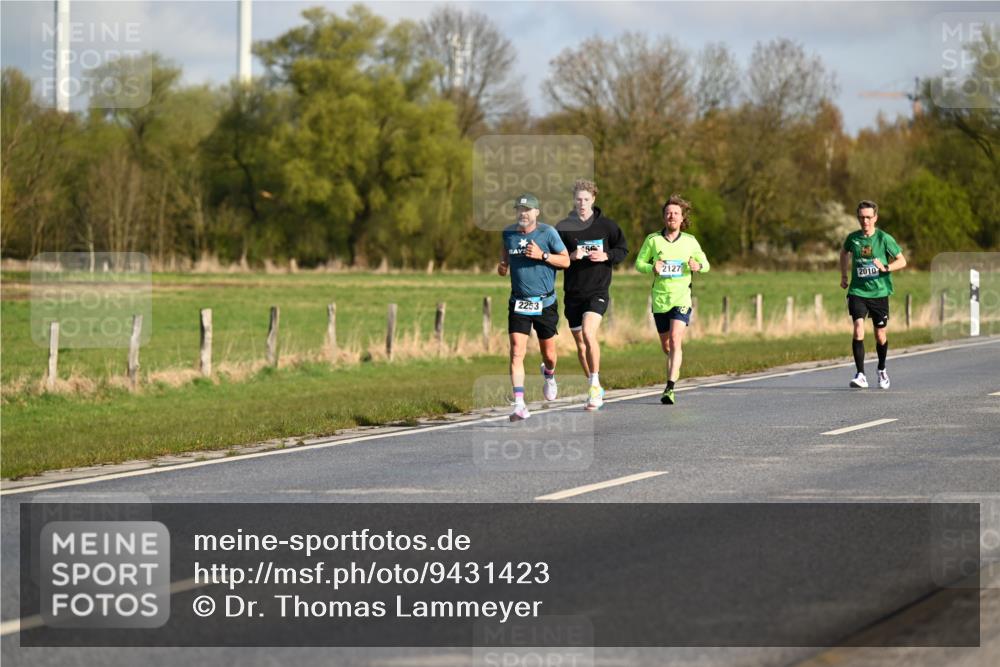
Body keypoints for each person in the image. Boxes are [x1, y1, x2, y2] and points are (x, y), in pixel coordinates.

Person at [556, 179, 629, 410]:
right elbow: (554, 259)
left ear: (593, 199)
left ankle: (595, 386)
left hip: (597, 290)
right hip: (573, 293)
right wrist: (571, 255)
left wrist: (607, 256)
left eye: (586, 199)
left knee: (589, 333)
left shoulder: (607, 226)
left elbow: (623, 250)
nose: (582, 203)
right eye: (578, 199)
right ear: (573, 200)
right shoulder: (563, 227)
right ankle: (593, 384)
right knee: (580, 344)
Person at [498, 193, 570, 421]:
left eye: (527, 210)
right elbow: (505, 260)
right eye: (519, 209)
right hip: (518, 301)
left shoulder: (548, 233)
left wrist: (543, 255)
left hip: (544, 302)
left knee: (549, 354)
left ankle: (549, 374)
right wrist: (502, 267)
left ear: (536, 213)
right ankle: (519, 404)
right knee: (517, 351)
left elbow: (566, 261)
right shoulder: (508, 234)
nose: (523, 213)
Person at [634, 194, 710, 405]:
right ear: (664, 217)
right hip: (660, 300)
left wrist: (698, 266)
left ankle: (670, 387)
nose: (672, 216)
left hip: (681, 299)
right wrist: (652, 267)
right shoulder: (652, 240)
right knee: (667, 346)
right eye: (668, 213)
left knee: (676, 339)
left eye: (676, 213)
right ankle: (674, 365)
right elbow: (639, 264)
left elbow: (706, 264)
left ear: (682, 218)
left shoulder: (690, 242)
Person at [840, 200, 907, 389]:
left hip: (879, 293)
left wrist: (885, 267)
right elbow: (843, 253)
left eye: (869, 217)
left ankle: (882, 369)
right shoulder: (853, 239)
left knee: (880, 335)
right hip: (857, 291)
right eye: (861, 217)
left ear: (875, 218)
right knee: (858, 328)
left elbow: (902, 261)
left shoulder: (884, 238)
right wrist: (844, 275)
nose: (865, 221)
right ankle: (861, 374)